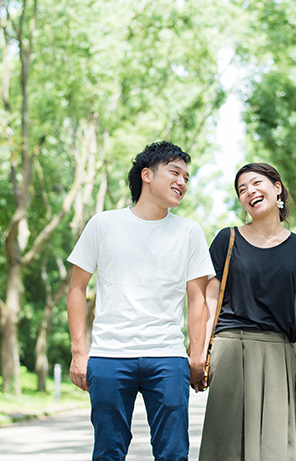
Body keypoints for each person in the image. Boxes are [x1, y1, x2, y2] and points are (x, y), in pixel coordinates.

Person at [66, 141, 214, 461]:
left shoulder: (189, 232)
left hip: (167, 356)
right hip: (109, 355)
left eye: (187, 178)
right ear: (147, 175)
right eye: (175, 173)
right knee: (108, 452)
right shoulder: (103, 224)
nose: (183, 183)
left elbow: (197, 298)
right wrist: (79, 352)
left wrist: (197, 355)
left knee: (174, 453)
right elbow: (77, 288)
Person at [199, 162, 296, 461]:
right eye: (242, 190)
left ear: (277, 187)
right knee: (226, 448)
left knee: (277, 450)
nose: (249, 192)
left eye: (256, 183)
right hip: (230, 352)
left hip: (279, 354)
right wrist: (200, 353)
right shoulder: (226, 240)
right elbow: (209, 299)